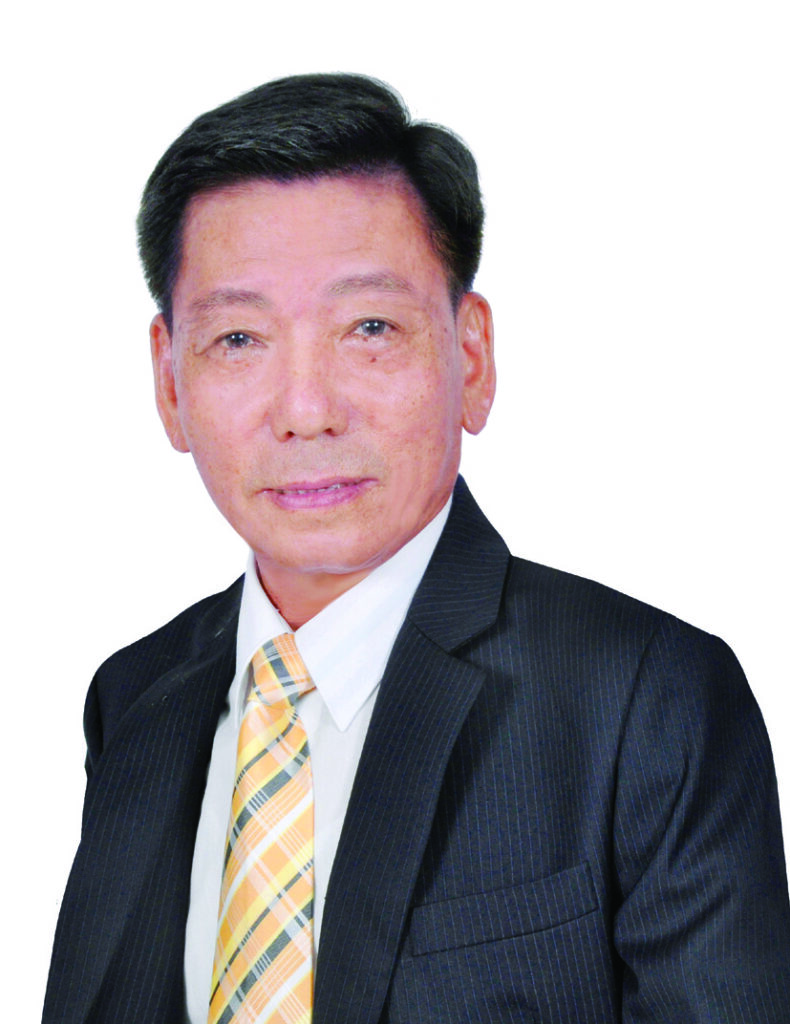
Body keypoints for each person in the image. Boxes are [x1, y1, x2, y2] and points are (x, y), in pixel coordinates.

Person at [44, 73, 790, 1024]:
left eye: (369, 328)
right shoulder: (133, 698)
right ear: (168, 382)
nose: (306, 410)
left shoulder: (645, 698)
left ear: (470, 357)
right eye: (237, 338)